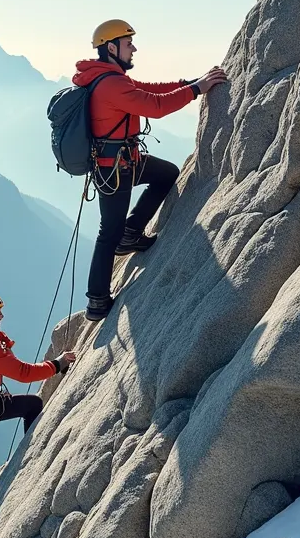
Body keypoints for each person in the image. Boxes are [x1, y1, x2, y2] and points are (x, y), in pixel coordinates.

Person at [73, 19, 229, 321]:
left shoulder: (110, 78)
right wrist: (197, 89)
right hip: (114, 170)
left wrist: (191, 83)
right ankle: (97, 301)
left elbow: (149, 91)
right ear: (112, 47)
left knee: (166, 173)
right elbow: (155, 106)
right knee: (109, 232)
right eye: (129, 43)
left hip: (121, 162)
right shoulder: (110, 84)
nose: (134, 49)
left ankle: (130, 234)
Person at [0, 290, 76, 536]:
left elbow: (10, 361)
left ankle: (32, 457)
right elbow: (23, 373)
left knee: (32, 405)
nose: (2, 315)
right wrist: (57, 364)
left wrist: (1, 340)